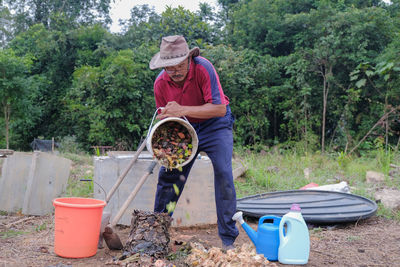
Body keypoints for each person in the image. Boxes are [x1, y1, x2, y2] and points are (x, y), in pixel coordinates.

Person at [149, 35, 238, 249]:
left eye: (179, 66)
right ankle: (156, 236)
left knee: (224, 173)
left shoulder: (203, 68)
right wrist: (166, 148)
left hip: (215, 125)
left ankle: (228, 238)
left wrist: (183, 109)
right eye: (169, 68)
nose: (175, 71)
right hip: (185, 128)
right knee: (169, 174)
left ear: (189, 59)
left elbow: (219, 108)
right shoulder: (160, 83)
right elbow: (168, 121)